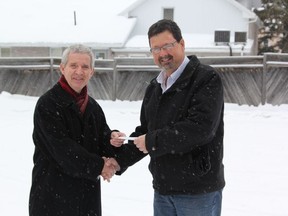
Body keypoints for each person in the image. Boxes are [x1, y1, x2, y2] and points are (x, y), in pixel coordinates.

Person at [113, 19, 225, 216]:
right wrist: (118, 160)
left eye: (167, 46)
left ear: (182, 44)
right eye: (156, 49)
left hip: (197, 192)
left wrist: (151, 141)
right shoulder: (154, 87)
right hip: (163, 190)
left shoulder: (205, 79)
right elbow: (146, 132)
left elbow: (200, 129)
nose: (162, 54)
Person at [29, 44, 126, 216]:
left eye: (85, 67)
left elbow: (102, 141)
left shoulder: (93, 108)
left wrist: (112, 139)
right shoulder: (47, 105)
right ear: (62, 68)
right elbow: (63, 151)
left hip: (86, 200)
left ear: (92, 72)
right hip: (52, 199)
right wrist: (100, 166)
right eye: (73, 65)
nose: (79, 72)